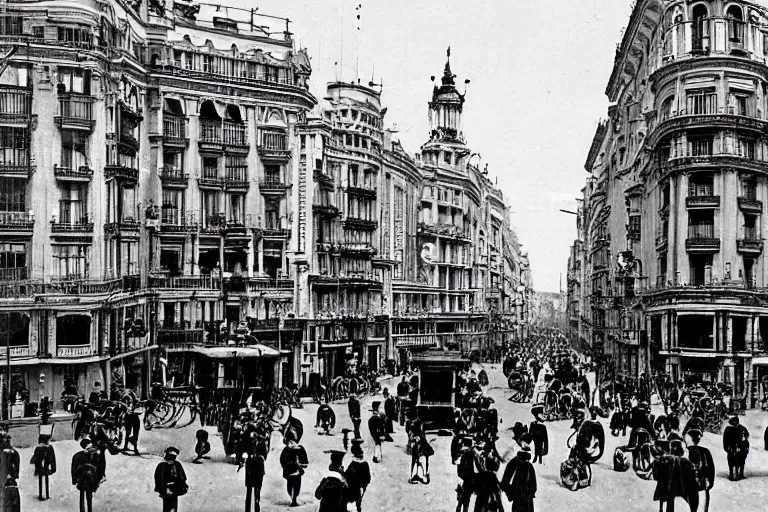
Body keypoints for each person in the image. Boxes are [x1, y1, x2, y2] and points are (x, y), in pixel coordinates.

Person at [652, 439, 698, 512]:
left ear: (670, 449)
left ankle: (661, 509)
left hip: (665, 489)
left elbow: (656, 474)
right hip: (680, 490)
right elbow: (692, 475)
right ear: (680, 450)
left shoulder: (662, 459)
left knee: (669, 501)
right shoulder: (685, 461)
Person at [500, 440, 537, 512]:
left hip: (518, 497)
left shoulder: (514, 463)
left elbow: (505, 481)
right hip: (525, 498)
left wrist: (510, 494)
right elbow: (533, 484)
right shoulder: (528, 465)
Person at [687, 429, 715, 512]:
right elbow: (711, 467)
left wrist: (711, 481)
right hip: (699, 482)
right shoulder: (704, 451)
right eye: (695, 437)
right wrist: (711, 481)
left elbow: (711, 467)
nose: (696, 439)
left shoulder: (686, 450)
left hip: (697, 482)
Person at [279, 429, 308, 507]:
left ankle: (294, 499)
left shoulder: (300, 449)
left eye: (293, 442)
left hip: (296, 471)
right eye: (290, 442)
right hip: (290, 471)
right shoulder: (286, 450)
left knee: (296, 486)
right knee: (291, 485)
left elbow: (304, 460)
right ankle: (292, 498)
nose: (291, 444)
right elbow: (282, 460)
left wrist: (302, 464)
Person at [154, 446, 188, 512]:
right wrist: (163, 488)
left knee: (173, 506)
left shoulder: (177, 464)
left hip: (175, 488)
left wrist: (182, 485)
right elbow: (159, 478)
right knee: (168, 507)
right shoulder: (162, 466)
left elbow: (182, 476)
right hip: (167, 489)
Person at [71, 437, 101, 512]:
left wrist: (74, 480)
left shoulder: (77, 455)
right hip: (87, 479)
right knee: (88, 496)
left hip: (83, 480)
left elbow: (73, 469)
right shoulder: (95, 456)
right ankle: (87, 509)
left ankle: (83, 510)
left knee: (84, 495)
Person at [239, 434, 265, 512]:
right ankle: (248, 509)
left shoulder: (261, 444)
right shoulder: (247, 443)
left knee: (256, 490)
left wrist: (257, 456)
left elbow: (264, 455)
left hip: (258, 468)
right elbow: (243, 453)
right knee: (250, 490)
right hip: (251, 468)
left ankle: (256, 508)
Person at [344, 439, 370, 512]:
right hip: (358, 489)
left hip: (353, 490)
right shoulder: (364, 464)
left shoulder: (353, 465)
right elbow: (368, 479)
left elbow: (347, 476)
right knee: (357, 505)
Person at [30, 433, 56, 501]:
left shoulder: (38, 448)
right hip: (46, 466)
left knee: (41, 481)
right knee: (46, 480)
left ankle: (41, 494)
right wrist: (53, 468)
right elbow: (53, 458)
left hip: (40, 467)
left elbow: (35, 458)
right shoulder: (49, 448)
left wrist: (36, 469)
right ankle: (46, 495)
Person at [723, 415, 749, 481]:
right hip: (731, 447)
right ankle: (732, 474)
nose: (735, 424)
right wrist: (726, 448)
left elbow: (746, 437)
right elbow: (725, 439)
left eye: (736, 423)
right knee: (731, 461)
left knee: (741, 460)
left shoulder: (742, 428)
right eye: (733, 423)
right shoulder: (728, 429)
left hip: (741, 447)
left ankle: (740, 473)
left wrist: (746, 447)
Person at [455, 436, 476, 512]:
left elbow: (459, 467)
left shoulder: (461, 452)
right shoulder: (470, 453)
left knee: (462, 497)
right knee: (466, 499)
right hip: (468, 479)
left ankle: (459, 507)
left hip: (462, 478)